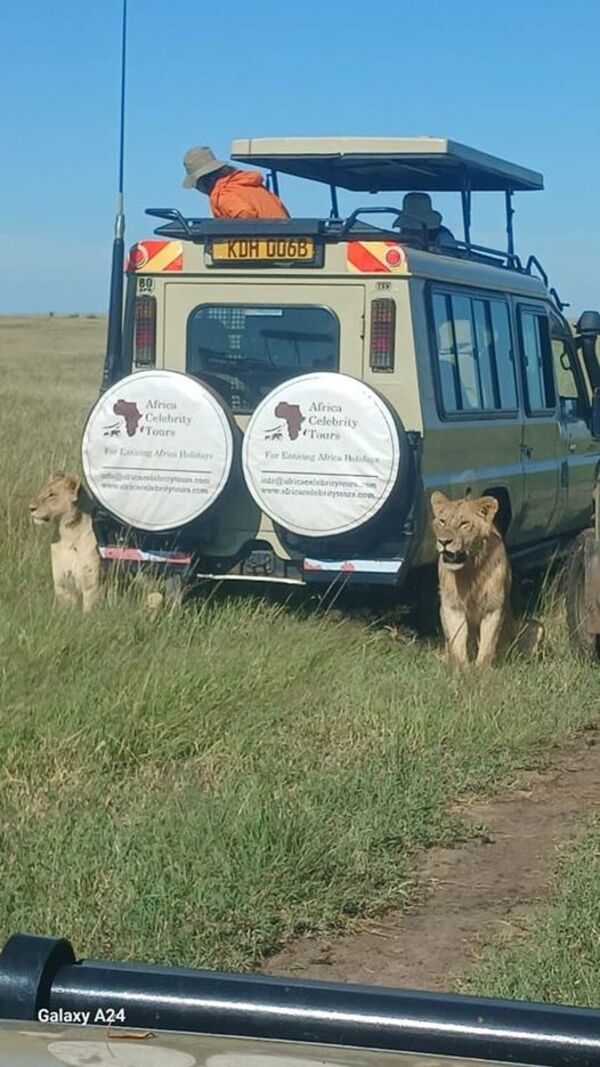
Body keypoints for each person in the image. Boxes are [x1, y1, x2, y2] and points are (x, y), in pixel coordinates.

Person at [182, 146, 289, 219]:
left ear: (206, 181)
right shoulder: (251, 186)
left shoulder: (224, 194)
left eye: (197, 185)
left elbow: (246, 216)